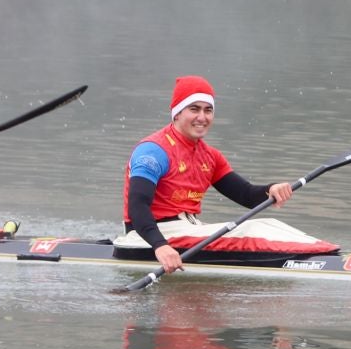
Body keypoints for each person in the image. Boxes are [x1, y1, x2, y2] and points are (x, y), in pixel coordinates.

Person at [125, 75, 334, 273]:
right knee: (251, 229)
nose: (202, 117)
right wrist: (160, 246)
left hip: (188, 229)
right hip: (149, 236)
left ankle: (333, 256)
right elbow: (137, 205)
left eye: (208, 110)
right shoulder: (153, 150)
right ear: (177, 113)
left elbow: (246, 195)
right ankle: (330, 262)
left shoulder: (210, 156)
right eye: (194, 109)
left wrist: (272, 189)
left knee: (269, 223)